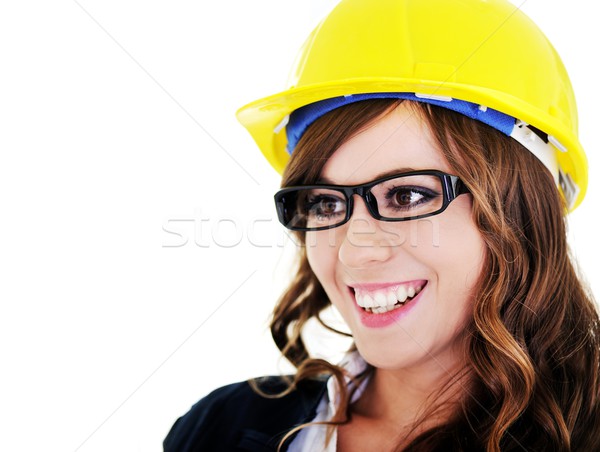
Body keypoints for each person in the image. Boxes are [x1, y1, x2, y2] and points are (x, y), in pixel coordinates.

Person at [164, 0, 599, 450]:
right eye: (325, 204)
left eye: (407, 195)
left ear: (524, 210)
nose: (355, 250)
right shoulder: (221, 428)